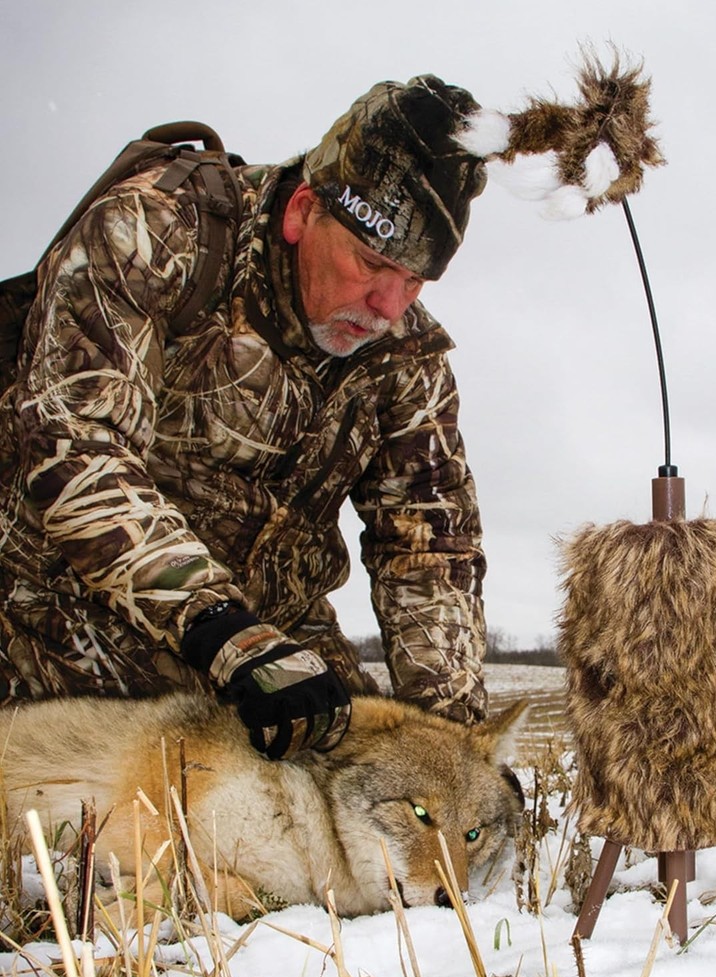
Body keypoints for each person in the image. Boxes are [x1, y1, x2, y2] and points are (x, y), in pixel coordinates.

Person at [0, 75, 491, 759]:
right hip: (73, 606)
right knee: (183, 810)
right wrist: (223, 630)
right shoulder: (157, 232)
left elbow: (428, 549)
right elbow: (76, 448)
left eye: (413, 282)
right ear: (301, 213)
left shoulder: (406, 355)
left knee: (368, 781)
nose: (387, 306)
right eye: (372, 263)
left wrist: (456, 743)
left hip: (272, 631)